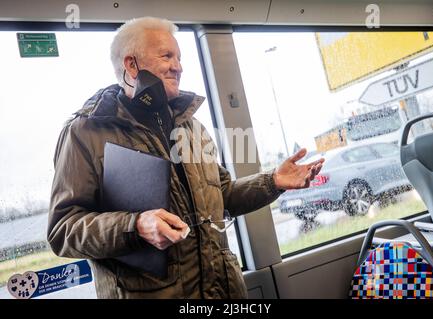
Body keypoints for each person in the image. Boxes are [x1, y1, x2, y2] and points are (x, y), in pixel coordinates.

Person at [47, 17, 324, 299]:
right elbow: (62, 230)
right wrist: (135, 226)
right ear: (131, 65)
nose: (179, 67)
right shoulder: (85, 133)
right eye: (167, 56)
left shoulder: (191, 127)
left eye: (179, 58)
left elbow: (222, 196)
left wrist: (273, 181)